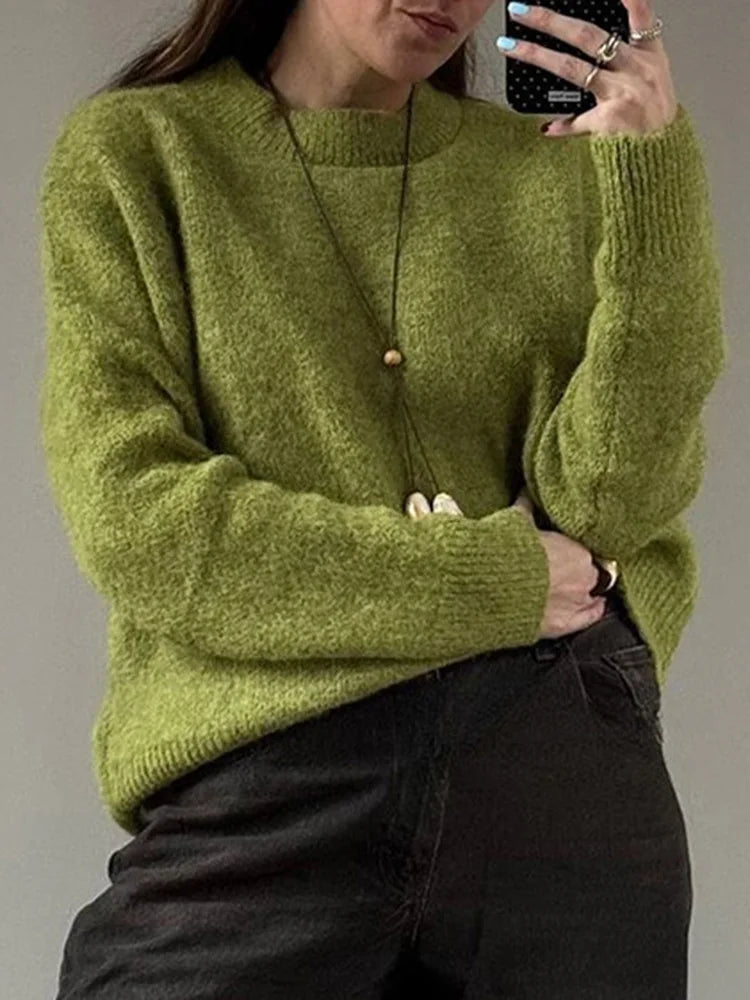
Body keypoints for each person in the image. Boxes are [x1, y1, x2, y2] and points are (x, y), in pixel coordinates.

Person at [39, 0, 726, 996]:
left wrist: (653, 174)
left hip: (551, 755)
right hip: (275, 773)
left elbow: (614, 503)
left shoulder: (551, 166)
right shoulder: (140, 156)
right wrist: (493, 579)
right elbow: (141, 521)